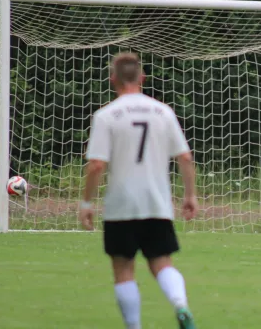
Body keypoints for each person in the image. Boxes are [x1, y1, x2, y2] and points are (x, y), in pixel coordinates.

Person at [79, 52, 198, 328]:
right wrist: (190, 195)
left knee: (123, 270)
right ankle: (181, 305)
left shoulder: (106, 115)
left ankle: (134, 326)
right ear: (142, 78)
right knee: (162, 263)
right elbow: (185, 157)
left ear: (113, 80)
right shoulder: (163, 112)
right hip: (156, 204)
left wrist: (87, 204)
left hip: (121, 207)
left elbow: (96, 165)